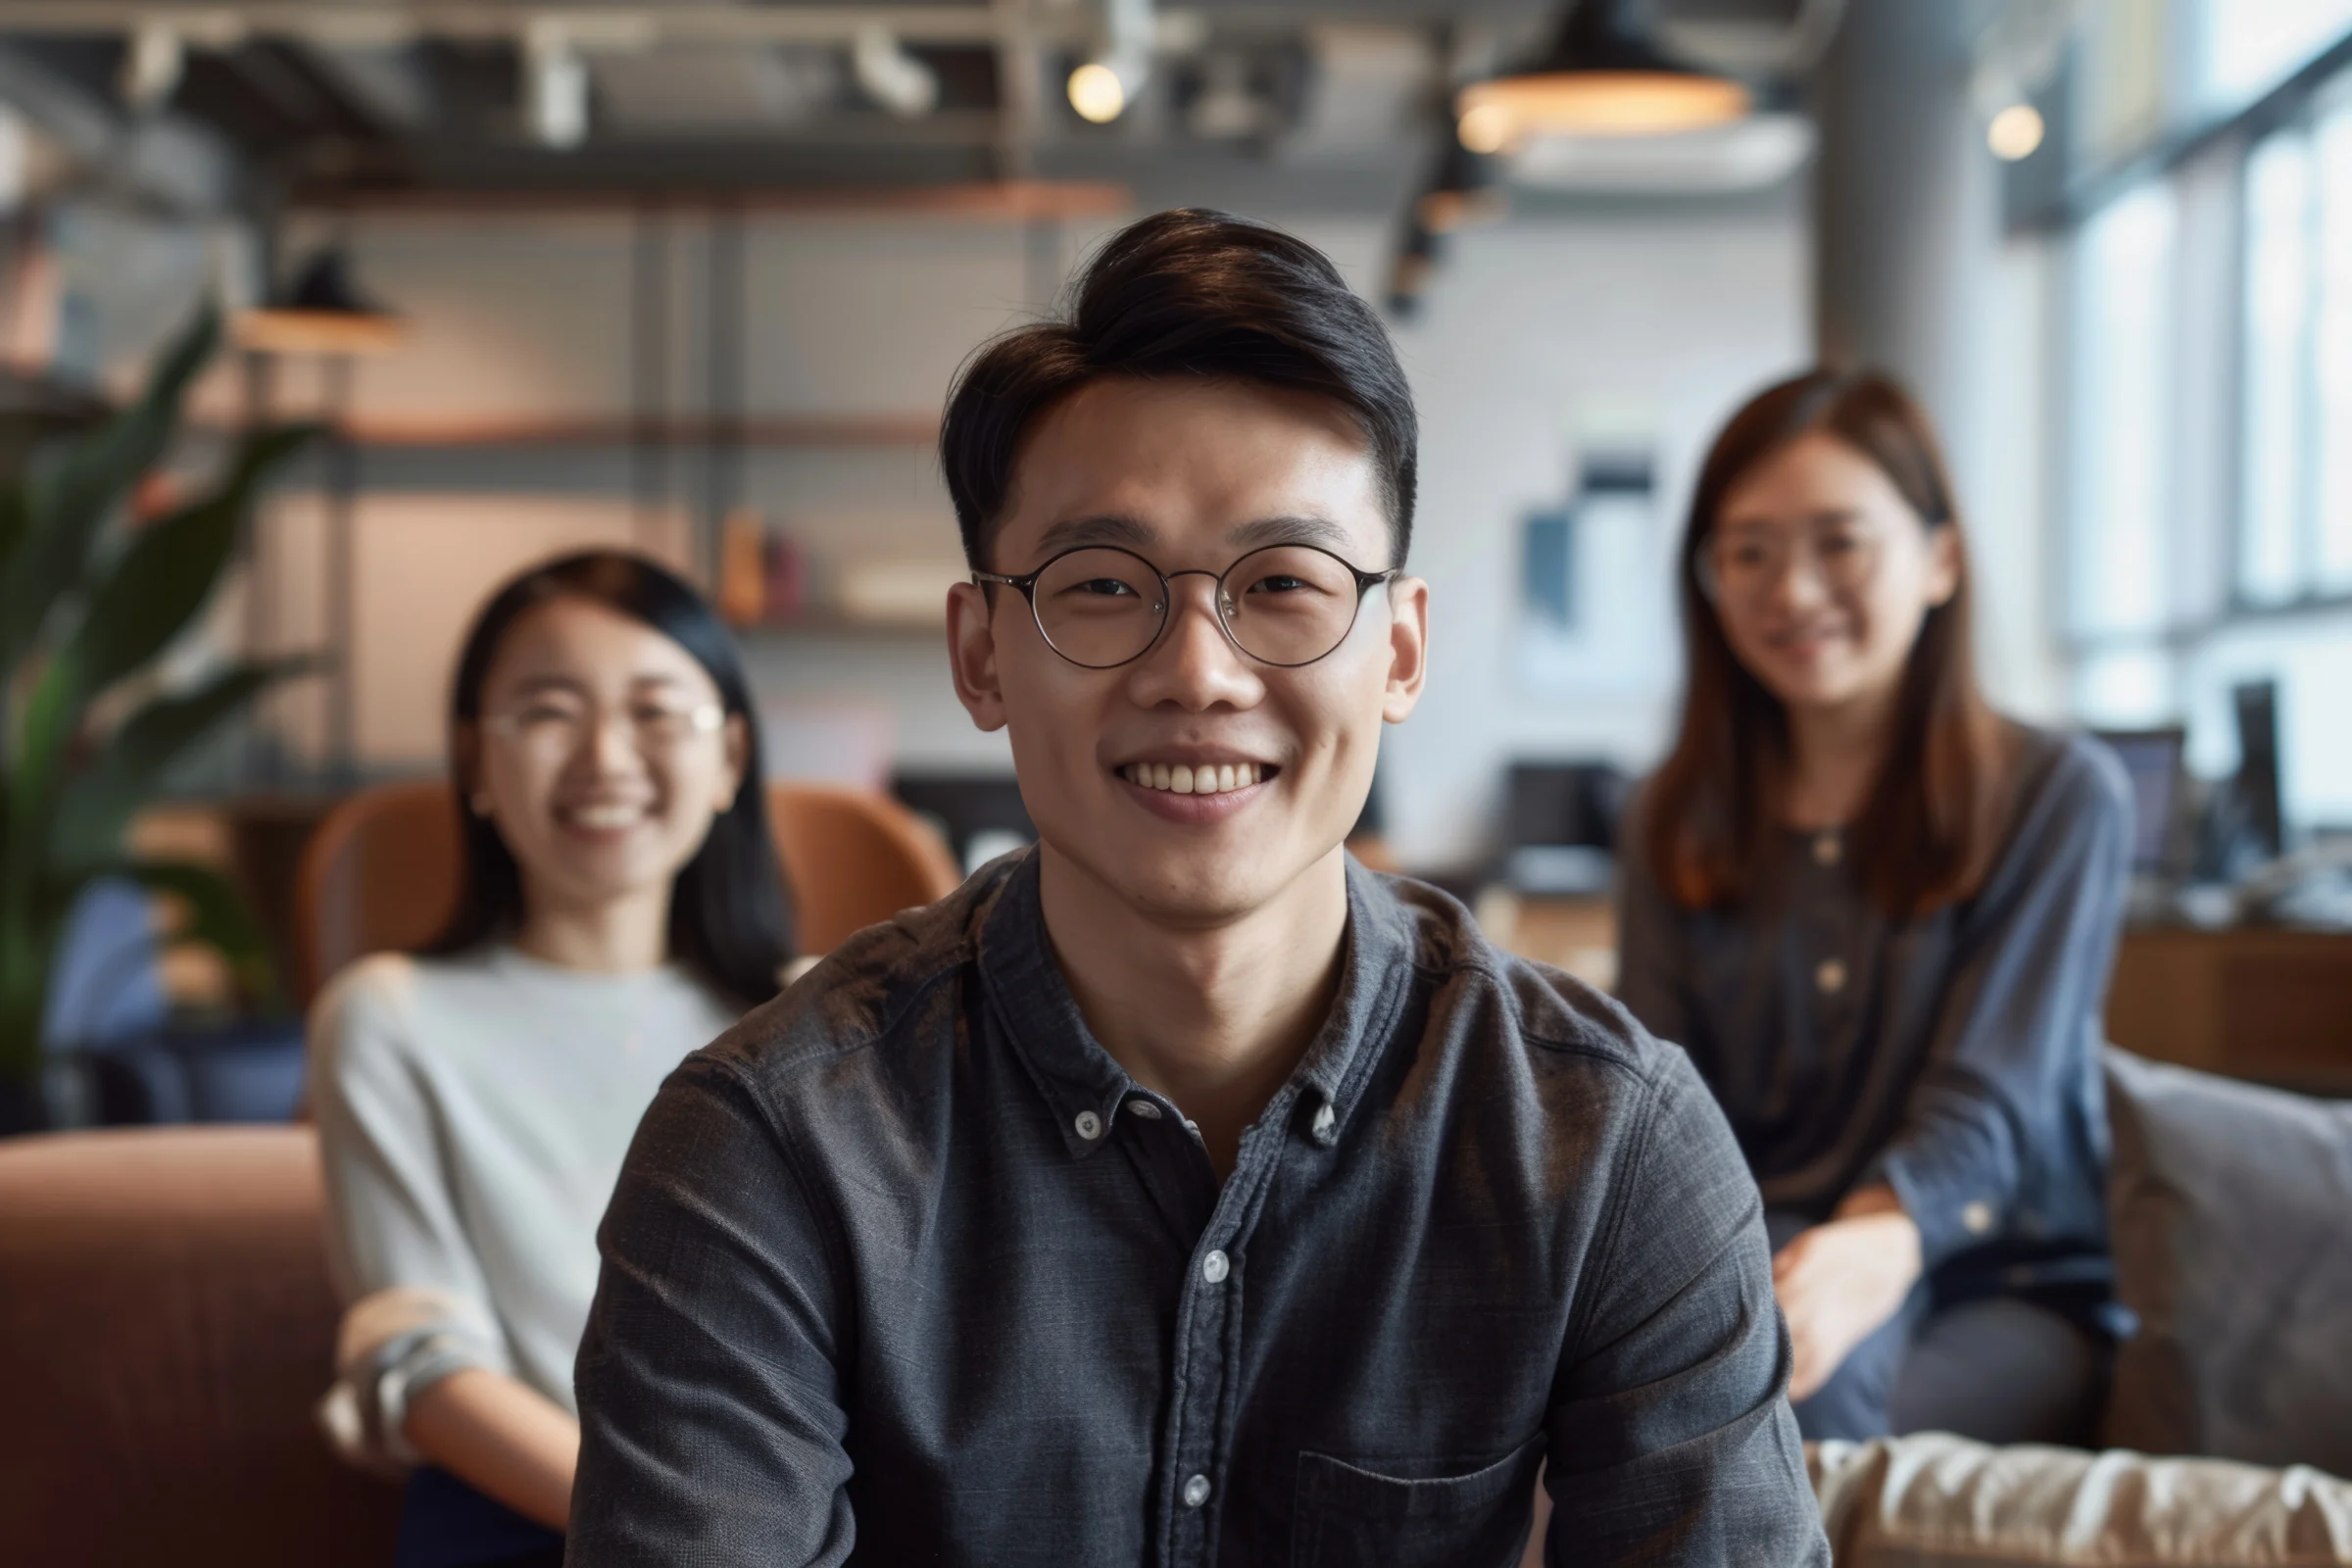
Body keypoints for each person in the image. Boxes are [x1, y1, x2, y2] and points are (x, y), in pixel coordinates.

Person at [566, 210, 1827, 1566]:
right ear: (982, 652)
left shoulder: (1606, 1144)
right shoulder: (772, 1148)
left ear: (1399, 653)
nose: (1199, 672)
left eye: (1284, 582)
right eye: (1103, 587)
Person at [1614, 369, 2132, 1446]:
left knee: (1790, 1407)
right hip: (1753, 1256)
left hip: (1994, 1277)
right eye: (1749, 551)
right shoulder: (1674, 815)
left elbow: (1992, 1103)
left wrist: (1879, 1239)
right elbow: (1657, 1094)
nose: (1792, 591)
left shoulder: (2057, 795)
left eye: (1840, 542)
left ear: (1940, 559)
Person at [311, 551, 795, 1568]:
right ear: (475, 762)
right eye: (547, 711)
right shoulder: (389, 1020)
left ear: (731, 759)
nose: (606, 757)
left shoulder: (816, 1017)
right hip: (529, 1519)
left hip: (804, 1515)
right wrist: (685, 1535)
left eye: (657, 710)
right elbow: (425, 1363)